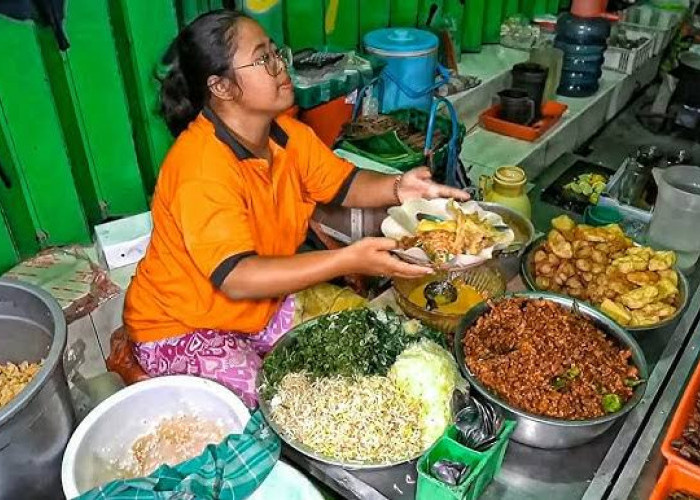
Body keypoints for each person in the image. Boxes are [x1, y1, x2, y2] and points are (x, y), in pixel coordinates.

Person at [123, 9, 468, 407]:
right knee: (284, 405)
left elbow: (344, 184)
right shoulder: (200, 167)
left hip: (255, 308)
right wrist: (345, 259)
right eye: (263, 59)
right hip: (179, 325)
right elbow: (237, 276)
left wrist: (398, 187)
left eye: (276, 52)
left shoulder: (287, 137)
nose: (280, 67)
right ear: (221, 87)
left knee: (361, 340)